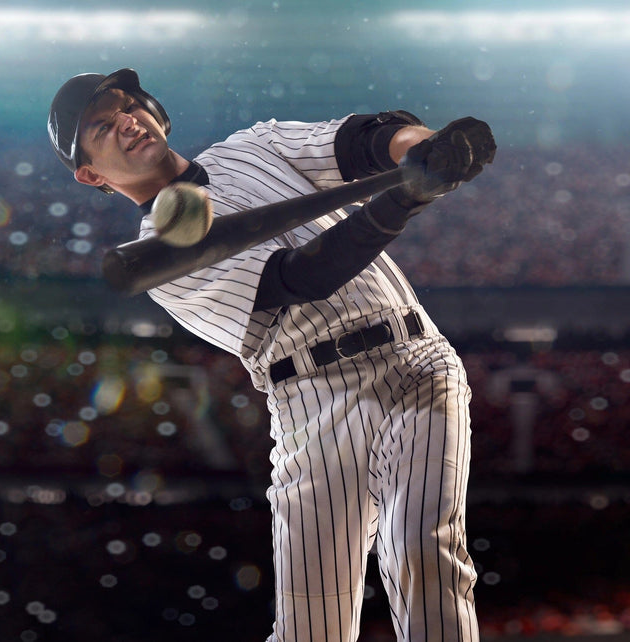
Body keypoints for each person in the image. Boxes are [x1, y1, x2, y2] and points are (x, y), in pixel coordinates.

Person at [48, 68, 495, 642]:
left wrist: (425, 151)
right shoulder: (157, 261)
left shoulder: (252, 146)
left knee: (423, 552)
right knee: (313, 622)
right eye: (102, 127)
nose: (126, 122)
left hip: (416, 362)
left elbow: (365, 140)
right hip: (313, 402)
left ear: (154, 109)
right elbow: (303, 277)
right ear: (90, 174)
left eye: (127, 106)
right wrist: (403, 199)